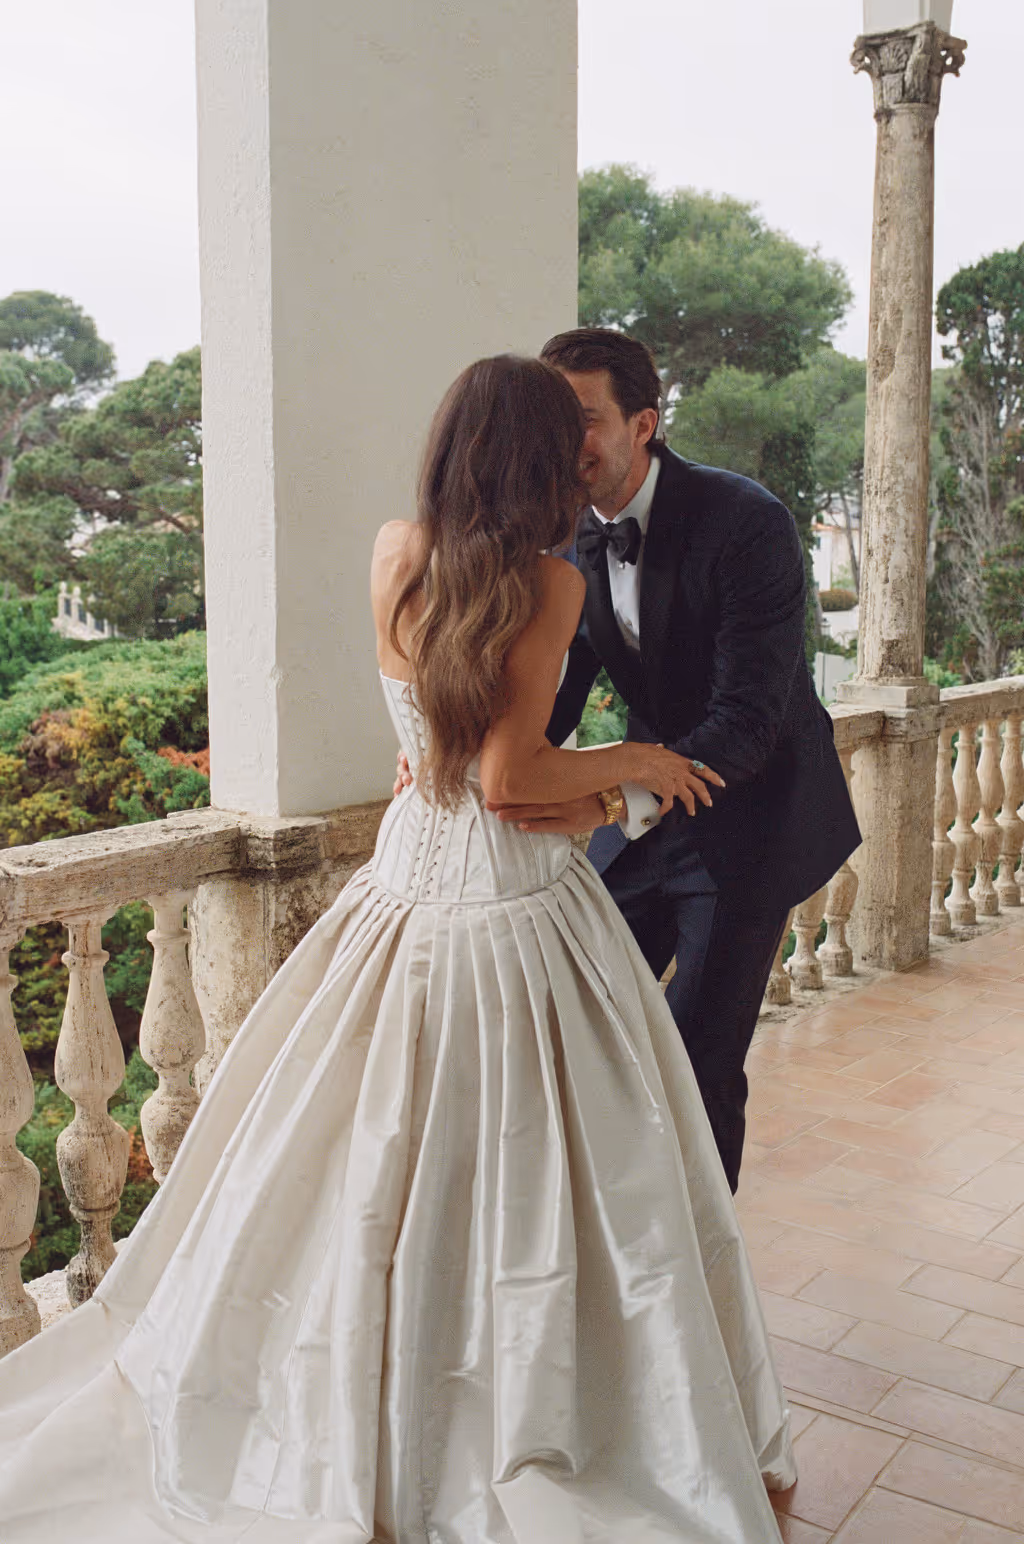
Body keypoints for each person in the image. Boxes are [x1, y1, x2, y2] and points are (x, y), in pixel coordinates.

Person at [0, 355, 795, 1543]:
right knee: (565, 1181)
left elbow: (461, 761)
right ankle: (537, 1409)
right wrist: (633, 764)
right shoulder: (547, 580)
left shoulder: (393, 549)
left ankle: (362, 1401)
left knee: (362, 1168)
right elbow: (512, 775)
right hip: (516, 914)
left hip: (407, 884)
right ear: (534, 455)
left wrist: (552, 789)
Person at [492, 329, 861, 1194]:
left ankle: (702, 1291)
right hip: (651, 811)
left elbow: (750, 720)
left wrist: (608, 801)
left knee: (698, 1062)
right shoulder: (566, 540)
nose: (561, 442)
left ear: (644, 423)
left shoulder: (747, 521)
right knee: (571, 1007)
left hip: (752, 817)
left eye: (582, 419)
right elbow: (554, 699)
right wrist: (466, 746)